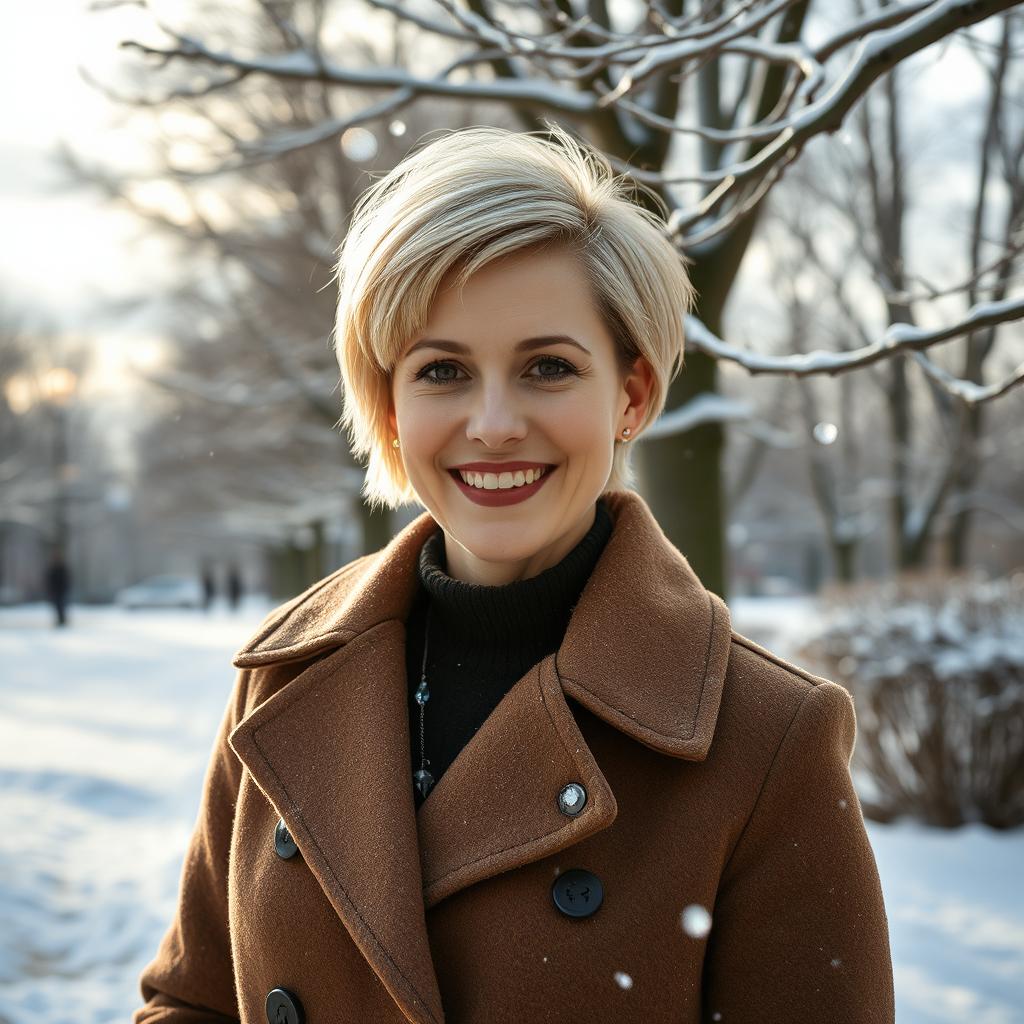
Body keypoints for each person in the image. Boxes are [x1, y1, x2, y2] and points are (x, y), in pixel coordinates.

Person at [134, 126, 894, 1024]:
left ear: (632, 395)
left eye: (547, 368)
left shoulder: (765, 738)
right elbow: (193, 1001)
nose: (492, 424)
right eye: (443, 370)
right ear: (388, 408)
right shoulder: (286, 674)